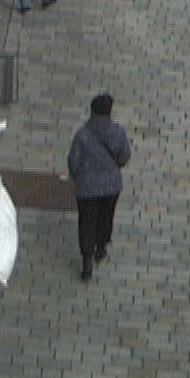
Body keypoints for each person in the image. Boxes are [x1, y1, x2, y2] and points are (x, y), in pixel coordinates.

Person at [68, 93, 131, 281]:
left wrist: (77, 176)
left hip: (87, 187)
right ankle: (101, 246)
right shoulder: (118, 132)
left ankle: (87, 259)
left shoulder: (83, 134)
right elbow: (124, 157)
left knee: (87, 220)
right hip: (111, 186)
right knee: (106, 215)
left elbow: (73, 161)